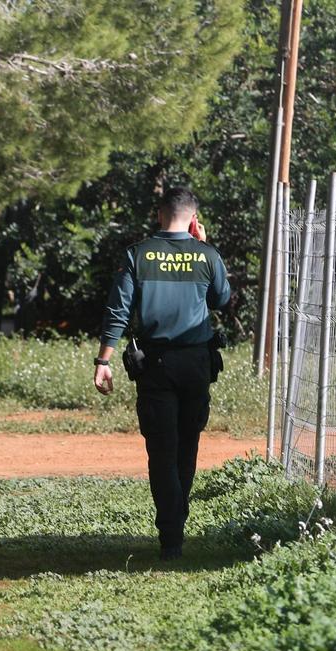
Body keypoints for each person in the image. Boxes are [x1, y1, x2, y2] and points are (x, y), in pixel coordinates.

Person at [94, 187, 231, 561]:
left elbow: (117, 311)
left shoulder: (137, 255)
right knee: (188, 445)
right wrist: (204, 246)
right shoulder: (207, 255)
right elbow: (222, 299)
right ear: (192, 218)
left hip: (156, 366)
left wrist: (103, 361)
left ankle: (171, 533)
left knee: (162, 450)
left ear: (159, 214)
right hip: (196, 364)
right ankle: (176, 524)